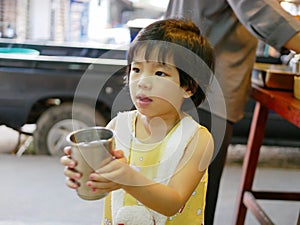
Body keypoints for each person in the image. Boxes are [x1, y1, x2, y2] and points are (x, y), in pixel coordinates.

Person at [61, 18, 216, 225]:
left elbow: (173, 203)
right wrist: (81, 171)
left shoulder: (197, 139)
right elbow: (97, 181)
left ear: (189, 87)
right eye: (136, 69)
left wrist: (126, 177)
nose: (143, 81)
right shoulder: (118, 127)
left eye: (160, 73)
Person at [164, 0, 300, 224]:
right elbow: (264, 14)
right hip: (204, 92)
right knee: (192, 203)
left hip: (181, 81)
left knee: (170, 193)